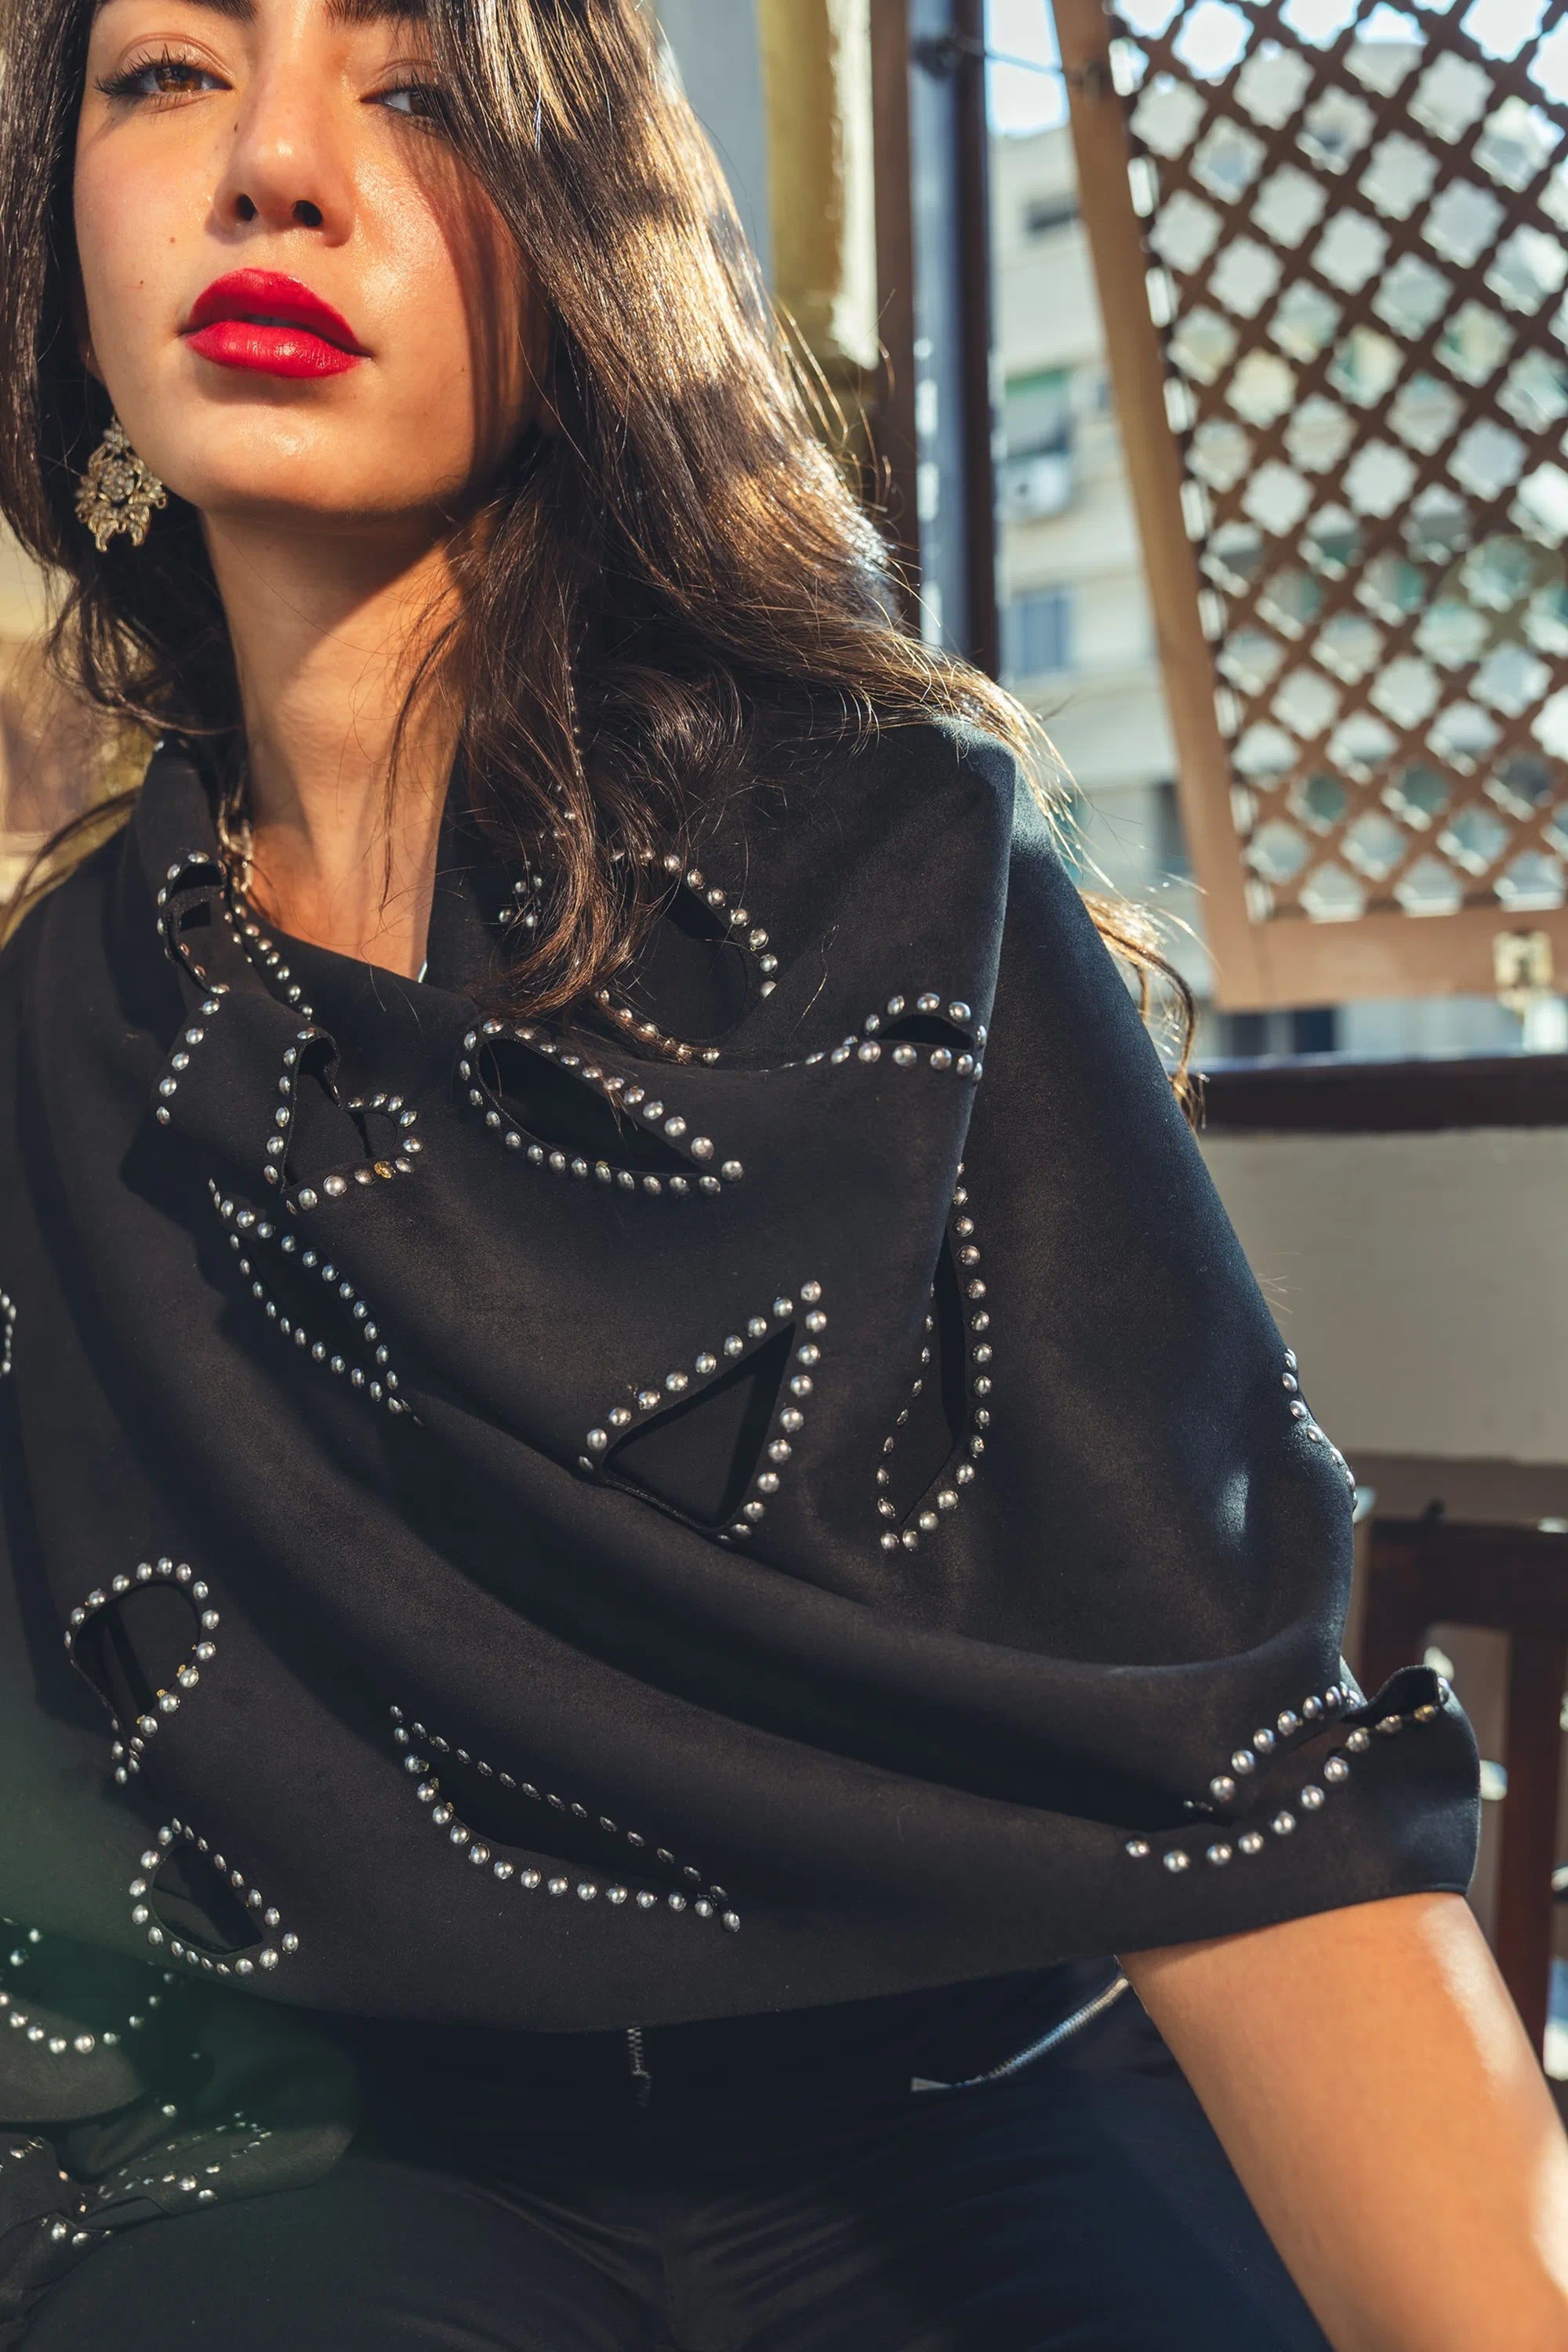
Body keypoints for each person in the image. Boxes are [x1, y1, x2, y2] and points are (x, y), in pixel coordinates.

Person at [0, 2, 1559, 2346]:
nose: (276, 170)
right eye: (165, 75)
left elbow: (1236, 1786)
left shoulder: (895, 870)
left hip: (977, 2106)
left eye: (415, 89)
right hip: (346, 2160)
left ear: (572, 235)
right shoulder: (71, 1011)